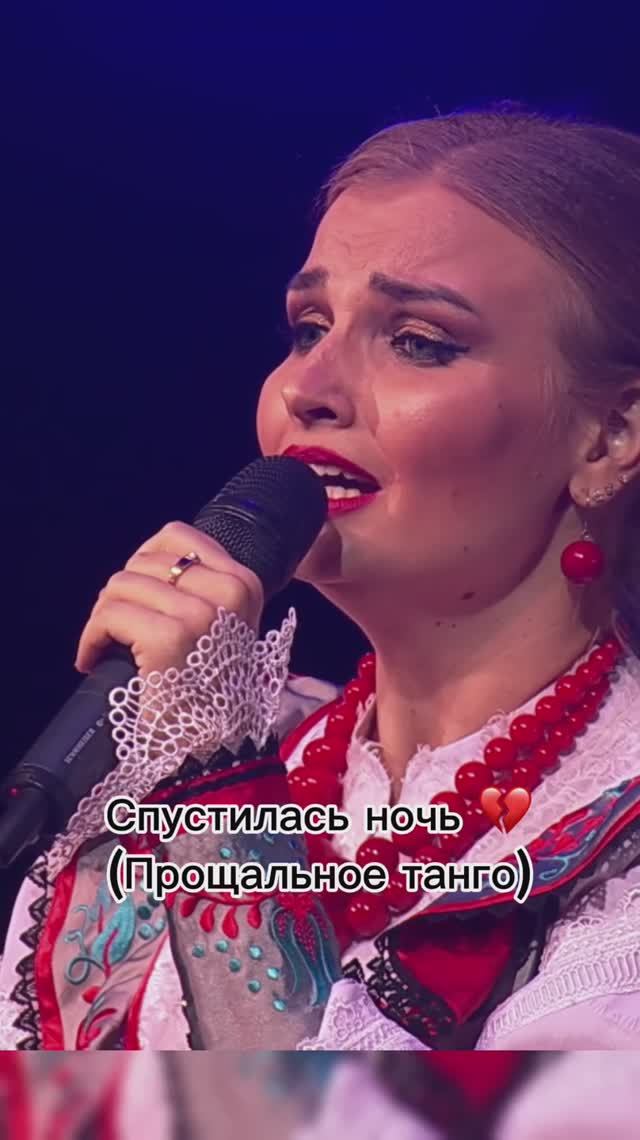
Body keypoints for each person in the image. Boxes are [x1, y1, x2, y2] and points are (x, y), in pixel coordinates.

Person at [1, 105, 640, 1068]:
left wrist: (214, 790)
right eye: (308, 328)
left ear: (611, 436)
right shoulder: (209, 760)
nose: (308, 387)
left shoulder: (616, 862)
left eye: (418, 339)